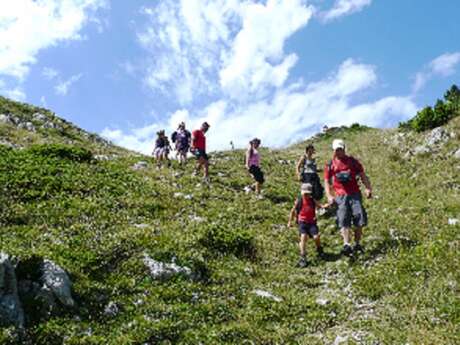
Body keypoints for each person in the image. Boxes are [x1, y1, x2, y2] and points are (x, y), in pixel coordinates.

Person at [324, 139, 372, 256]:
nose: (339, 151)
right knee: (343, 219)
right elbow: (326, 181)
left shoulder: (353, 161)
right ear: (334, 150)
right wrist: (329, 195)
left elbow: (362, 175)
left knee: (359, 218)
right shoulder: (330, 164)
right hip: (340, 195)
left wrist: (368, 188)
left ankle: (357, 244)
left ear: (344, 148)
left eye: (340, 149)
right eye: (336, 150)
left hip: (355, 194)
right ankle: (346, 244)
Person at [287, 183, 328, 267]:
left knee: (316, 237)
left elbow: (320, 206)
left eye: (308, 194)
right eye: (305, 194)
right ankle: (303, 256)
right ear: (302, 193)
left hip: (312, 222)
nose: (306, 195)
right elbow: (293, 211)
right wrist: (289, 222)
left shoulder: (312, 200)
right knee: (303, 237)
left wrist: (325, 206)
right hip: (302, 222)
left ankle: (319, 249)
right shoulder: (299, 200)